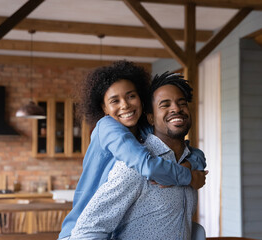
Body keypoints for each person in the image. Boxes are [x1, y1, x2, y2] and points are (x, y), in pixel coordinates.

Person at [59, 61, 207, 239]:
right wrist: (188, 177)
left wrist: (191, 163)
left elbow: (192, 151)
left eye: (131, 96)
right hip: (78, 227)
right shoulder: (108, 129)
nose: (125, 105)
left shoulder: (144, 130)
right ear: (104, 108)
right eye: (115, 100)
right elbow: (147, 166)